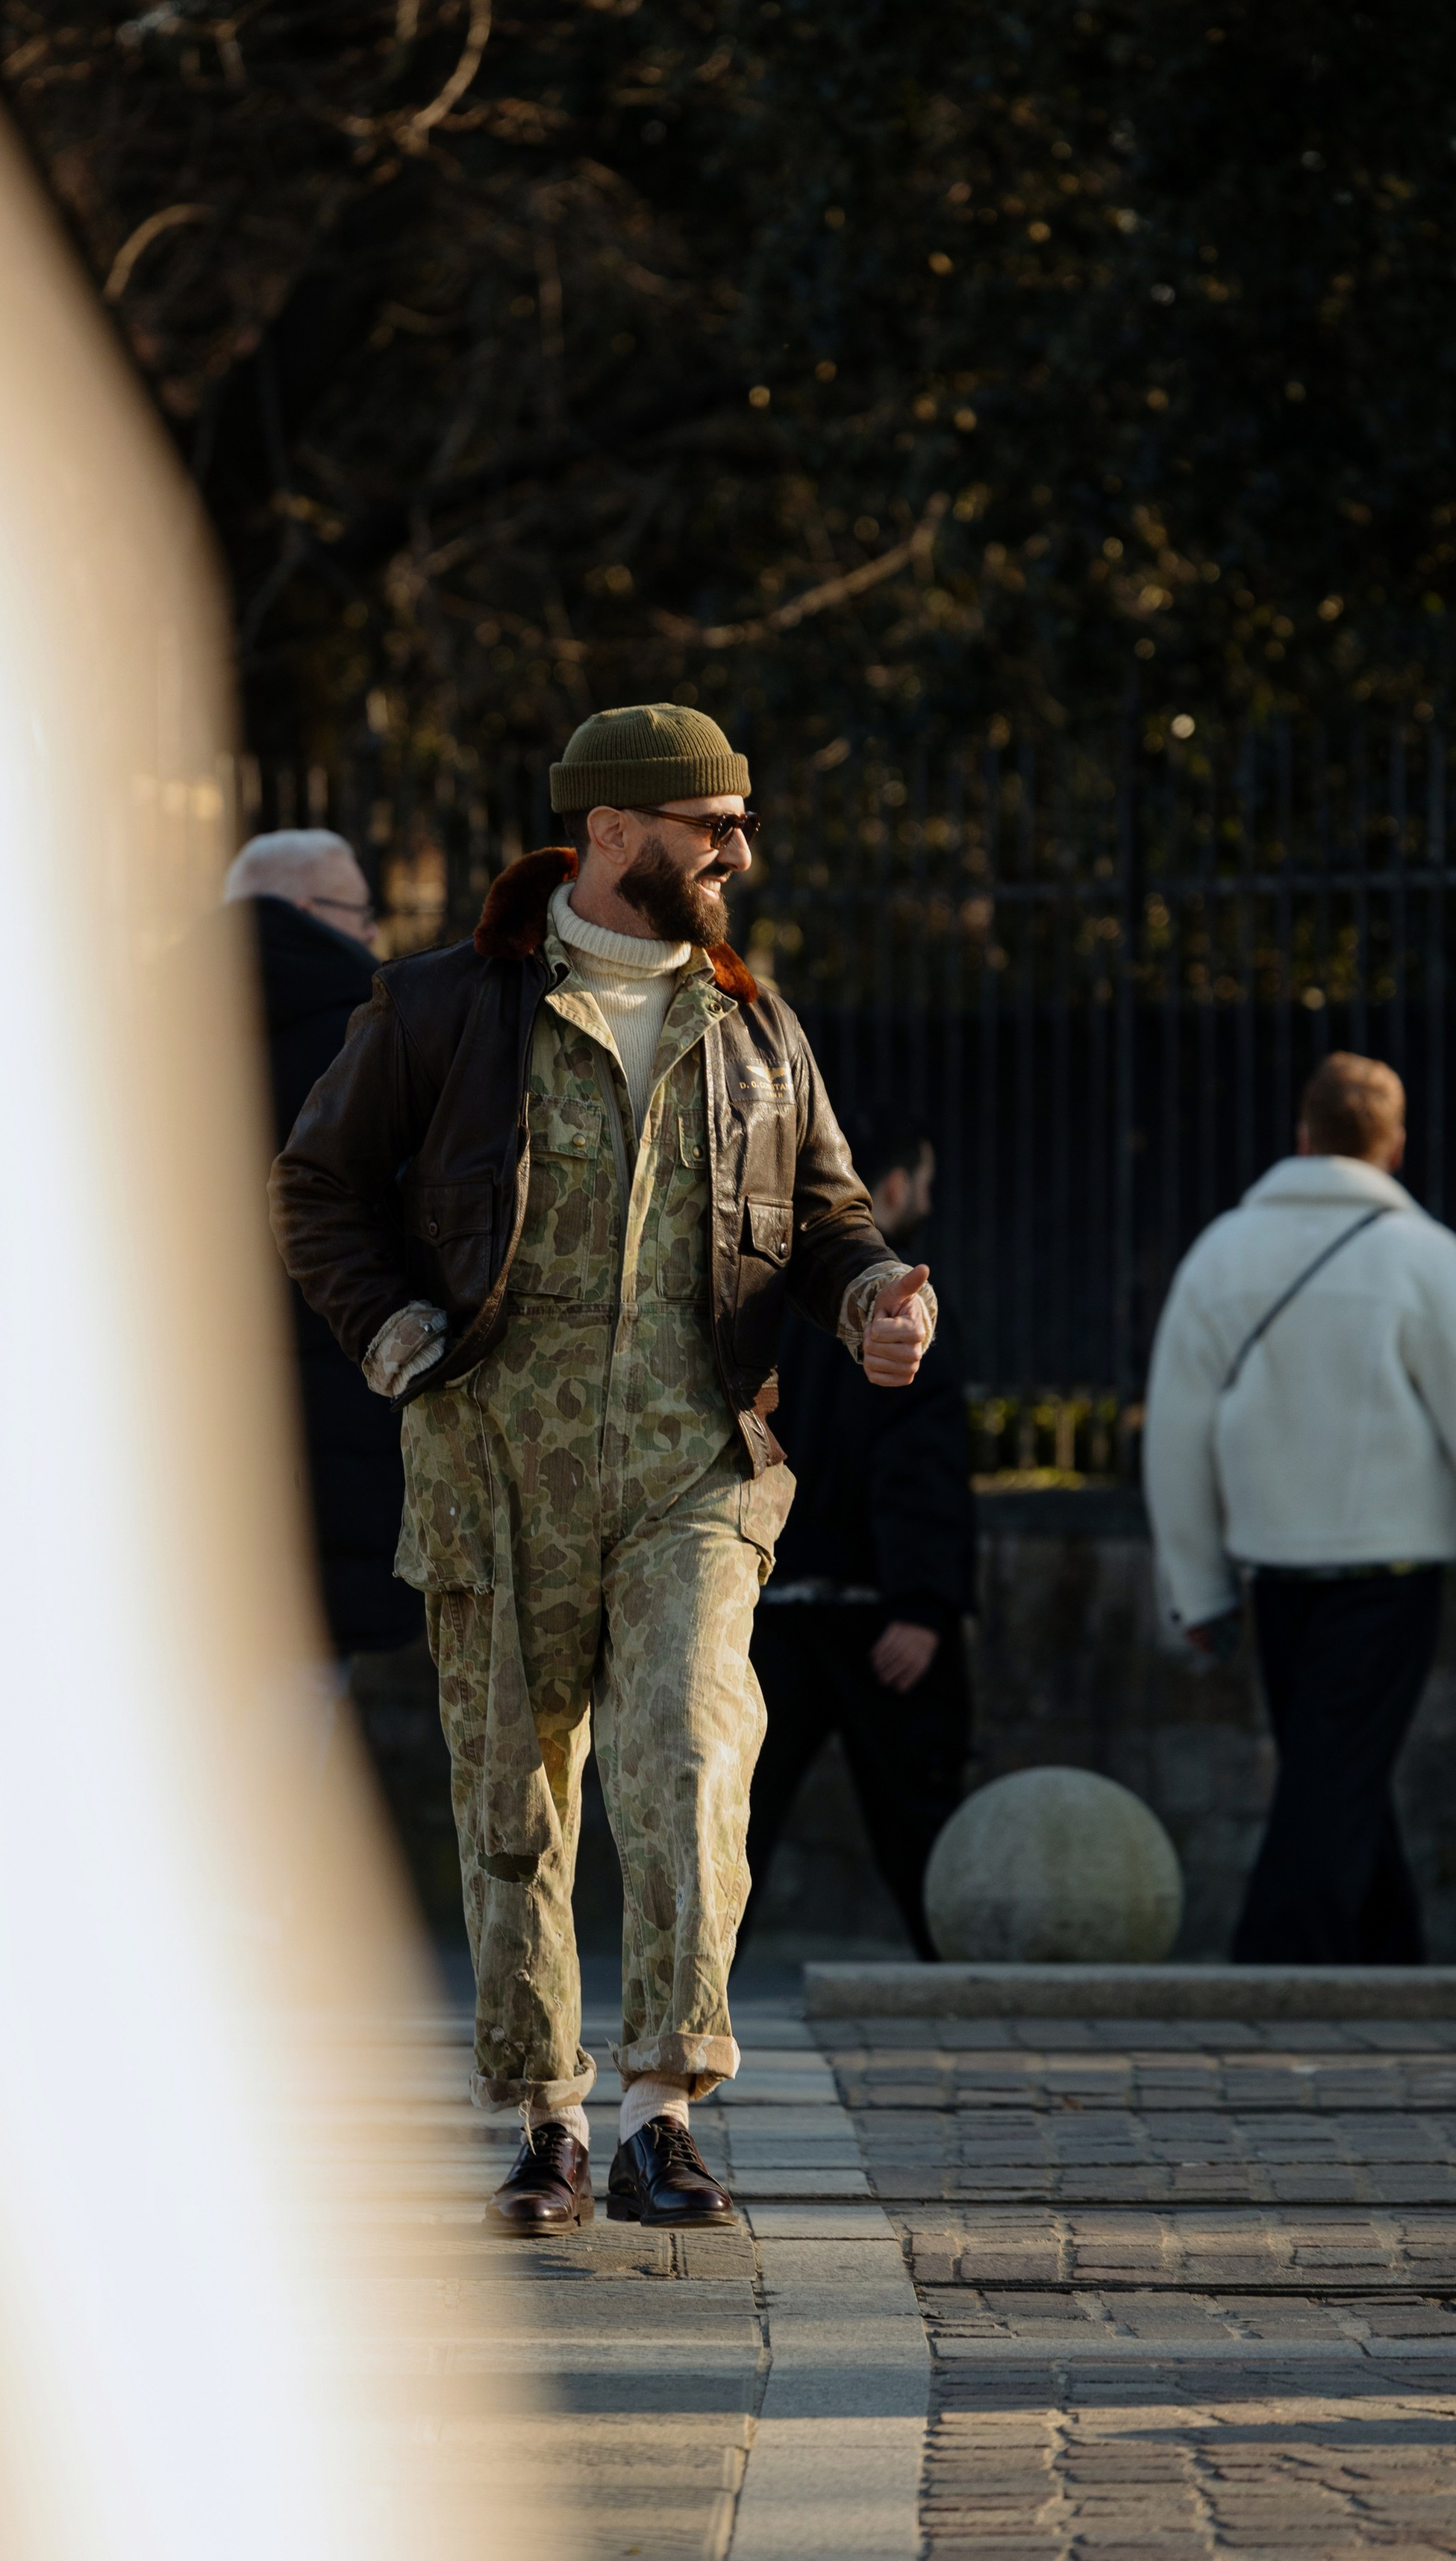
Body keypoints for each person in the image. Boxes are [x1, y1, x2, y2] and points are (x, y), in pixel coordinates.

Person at [269, 705, 937, 2234]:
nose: (738, 854)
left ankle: (661, 2114)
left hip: (695, 1469)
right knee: (517, 1802)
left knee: (691, 1758)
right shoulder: (443, 1008)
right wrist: (392, 1335)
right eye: (716, 826)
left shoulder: (755, 1027)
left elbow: (829, 1217)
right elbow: (314, 1186)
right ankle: (545, 2120)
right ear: (618, 832)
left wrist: (872, 1303)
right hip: (493, 1467)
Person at [1143, 1052, 1456, 1963]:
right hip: (1392, 1565)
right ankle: (1276, 1966)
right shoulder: (1428, 1259)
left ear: (1301, 1138)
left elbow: (1176, 1432)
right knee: (1335, 1775)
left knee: (1328, 1771)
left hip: (1273, 1570)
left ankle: (1388, 1960)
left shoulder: (1220, 1253)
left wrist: (1198, 1587)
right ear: (1394, 1148)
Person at [744, 1118, 975, 1959]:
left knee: (731, 1823)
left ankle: (681, 2003)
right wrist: (924, 1603)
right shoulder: (905, 1313)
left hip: (766, 1602)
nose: (929, 1202)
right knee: (920, 1825)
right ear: (895, 1187)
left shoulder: (760, 1289)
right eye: (925, 1182)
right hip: (878, 1618)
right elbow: (920, 1468)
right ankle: (965, 1987)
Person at [220, 830, 423, 1660]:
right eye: (360, 912)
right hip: (344, 1396)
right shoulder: (367, 1031)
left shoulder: (140, 1022)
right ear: (304, 910)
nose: (373, 933)